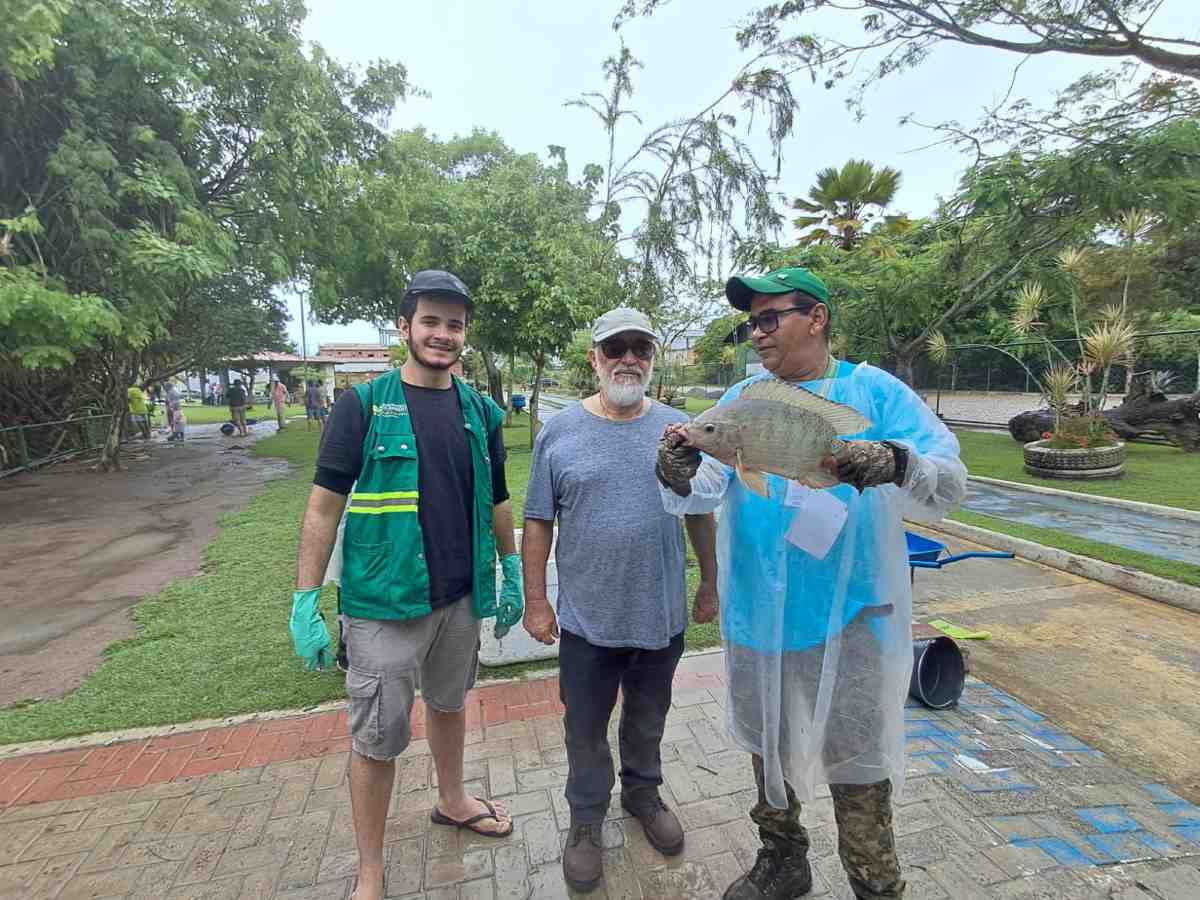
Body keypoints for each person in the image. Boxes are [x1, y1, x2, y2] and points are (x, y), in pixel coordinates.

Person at [656, 267, 967, 900]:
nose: (757, 334)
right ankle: (783, 861)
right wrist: (678, 470)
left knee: (857, 763)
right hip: (760, 615)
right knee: (767, 746)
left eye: (770, 319)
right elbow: (709, 485)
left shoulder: (874, 393)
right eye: (751, 323)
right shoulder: (743, 396)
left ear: (817, 317)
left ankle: (875, 883)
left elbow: (949, 480)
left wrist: (896, 460)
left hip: (851, 616)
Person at [291, 270, 525, 900]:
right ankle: (370, 870)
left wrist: (510, 570)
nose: (443, 334)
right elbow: (322, 508)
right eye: (431, 321)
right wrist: (305, 598)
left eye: (454, 324)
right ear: (404, 327)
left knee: (450, 703)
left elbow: (499, 499)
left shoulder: (481, 412)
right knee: (377, 738)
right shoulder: (363, 406)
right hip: (383, 603)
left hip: (459, 597)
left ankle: (452, 799)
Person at [522, 308, 719, 894]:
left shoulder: (680, 430)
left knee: (649, 716)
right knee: (584, 727)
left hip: (660, 611)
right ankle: (586, 818)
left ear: (652, 358)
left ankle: (642, 794)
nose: (628, 358)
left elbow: (700, 511)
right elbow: (538, 521)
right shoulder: (559, 432)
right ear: (595, 358)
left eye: (640, 348)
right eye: (615, 348)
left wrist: (710, 582)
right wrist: (536, 600)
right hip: (588, 620)